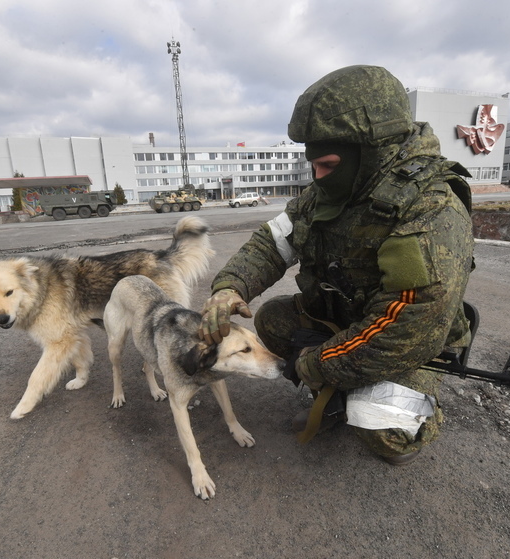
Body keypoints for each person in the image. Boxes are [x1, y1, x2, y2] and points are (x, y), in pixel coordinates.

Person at [198, 65, 475, 466]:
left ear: (370, 153)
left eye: (327, 165)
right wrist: (231, 286)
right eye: (314, 165)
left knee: (388, 429)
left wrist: (318, 364)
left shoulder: (430, 208)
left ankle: (381, 398)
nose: (317, 177)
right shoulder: (327, 193)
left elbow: (407, 324)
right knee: (272, 320)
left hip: (403, 342)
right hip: (344, 322)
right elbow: (272, 245)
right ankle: (340, 384)